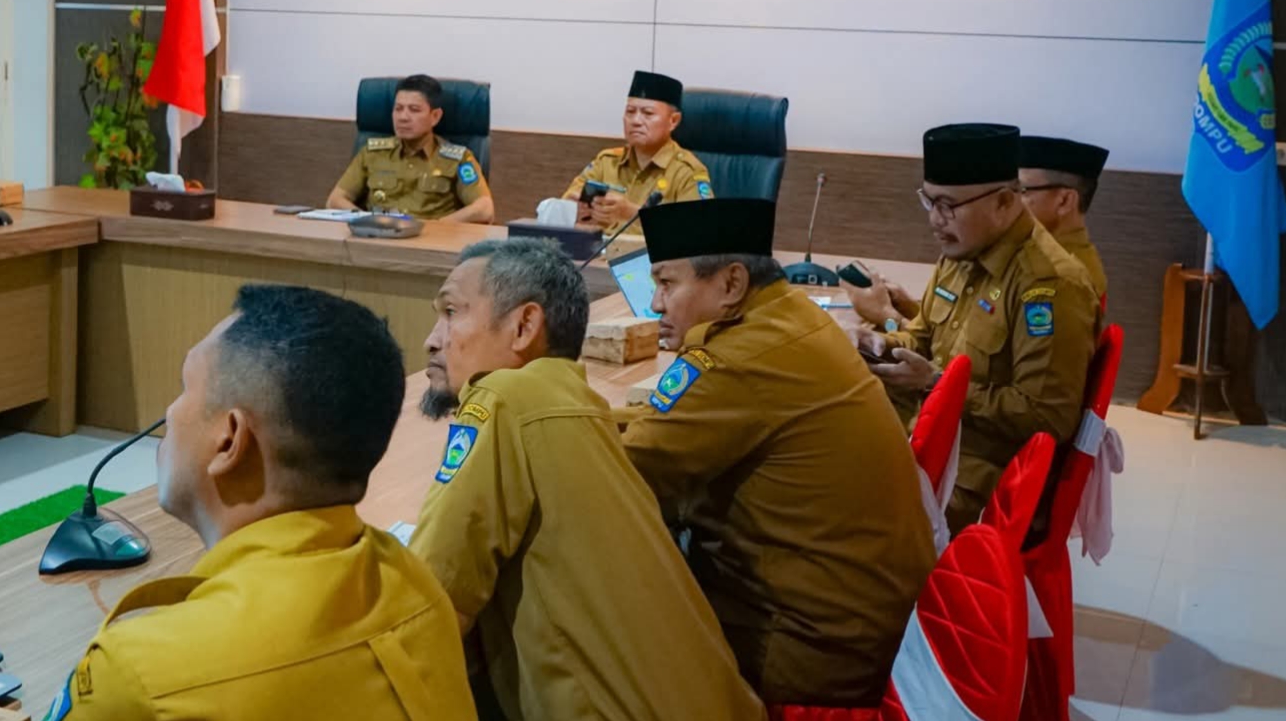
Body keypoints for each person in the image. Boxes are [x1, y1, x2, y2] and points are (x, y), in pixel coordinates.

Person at [46, 284, 477, 721]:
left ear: (229, 439)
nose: (171, 412)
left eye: (184, 388)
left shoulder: (140, 671)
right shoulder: (418, 588)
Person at [409, 239, 762, 721]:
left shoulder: (504, 397)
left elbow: (428, 607)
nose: (432, 340)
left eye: (451, 312)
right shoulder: (581, 404)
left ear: (524, 326)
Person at [619, 198, 934, 707]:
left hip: (806, 646)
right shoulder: (795, 317)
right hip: (863, 621)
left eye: (667, 284)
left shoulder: (737, 358)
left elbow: (624, 475)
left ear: (731, 284)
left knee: (600, 626)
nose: (656, 304)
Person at [846, 123, 1099, 534]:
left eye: (948, 205)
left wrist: (936, 384)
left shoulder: (1048, 284)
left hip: (983, 480)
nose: (935, 219)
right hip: (931, 440)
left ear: (1004, 202)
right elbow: (923, 338)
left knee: (831, 509)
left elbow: (1048, 417)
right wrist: (879, 344)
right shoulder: (962, 249)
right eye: (929, 201)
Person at [328, 75, 494, 223]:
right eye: (398, 109)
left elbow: (484, 209)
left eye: (414, 110)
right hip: (379, 237)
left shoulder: (458, 159)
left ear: (435, 116)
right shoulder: (372, 153)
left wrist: (437, 226)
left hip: (430, 242)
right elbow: (335, 201)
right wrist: (368, 221)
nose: (403, 117)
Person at [564, 70, 712, 234]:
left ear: (673, 121)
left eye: (648, 113)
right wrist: (574, 212)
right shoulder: (606, 162)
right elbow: (565, 207)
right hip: (598, 250)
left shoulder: (687, 172)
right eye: (630, 112)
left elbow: (699, 231)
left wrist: (632, 214)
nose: (636, 121)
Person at [1018, 134, 1109, 300]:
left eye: (1021, 190)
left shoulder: (1063, 278)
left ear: (1064, 201)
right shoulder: (1031, 254)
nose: (1010, 202)